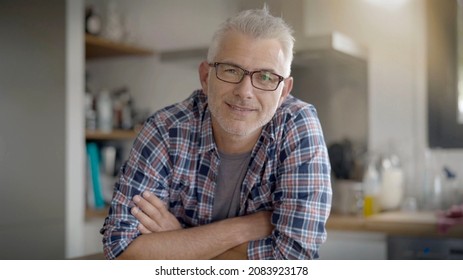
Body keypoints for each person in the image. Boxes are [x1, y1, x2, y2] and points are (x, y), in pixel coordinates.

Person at [100, 7, 332, 260]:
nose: (245, 92)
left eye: (266, 77)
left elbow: (294, 260)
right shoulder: (165, 129)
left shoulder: (298, 124)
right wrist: (242, 228)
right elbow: (121, 250)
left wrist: (180, 239)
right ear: (205, 76)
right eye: (231, 70)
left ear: (284, 91)